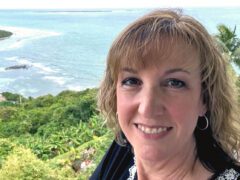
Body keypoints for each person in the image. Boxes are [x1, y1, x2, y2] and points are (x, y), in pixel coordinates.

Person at [90, 9, 240, 180]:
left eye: (174, 83)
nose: (147, 108)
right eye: (132, 81)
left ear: (205, 99)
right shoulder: (120, 153)